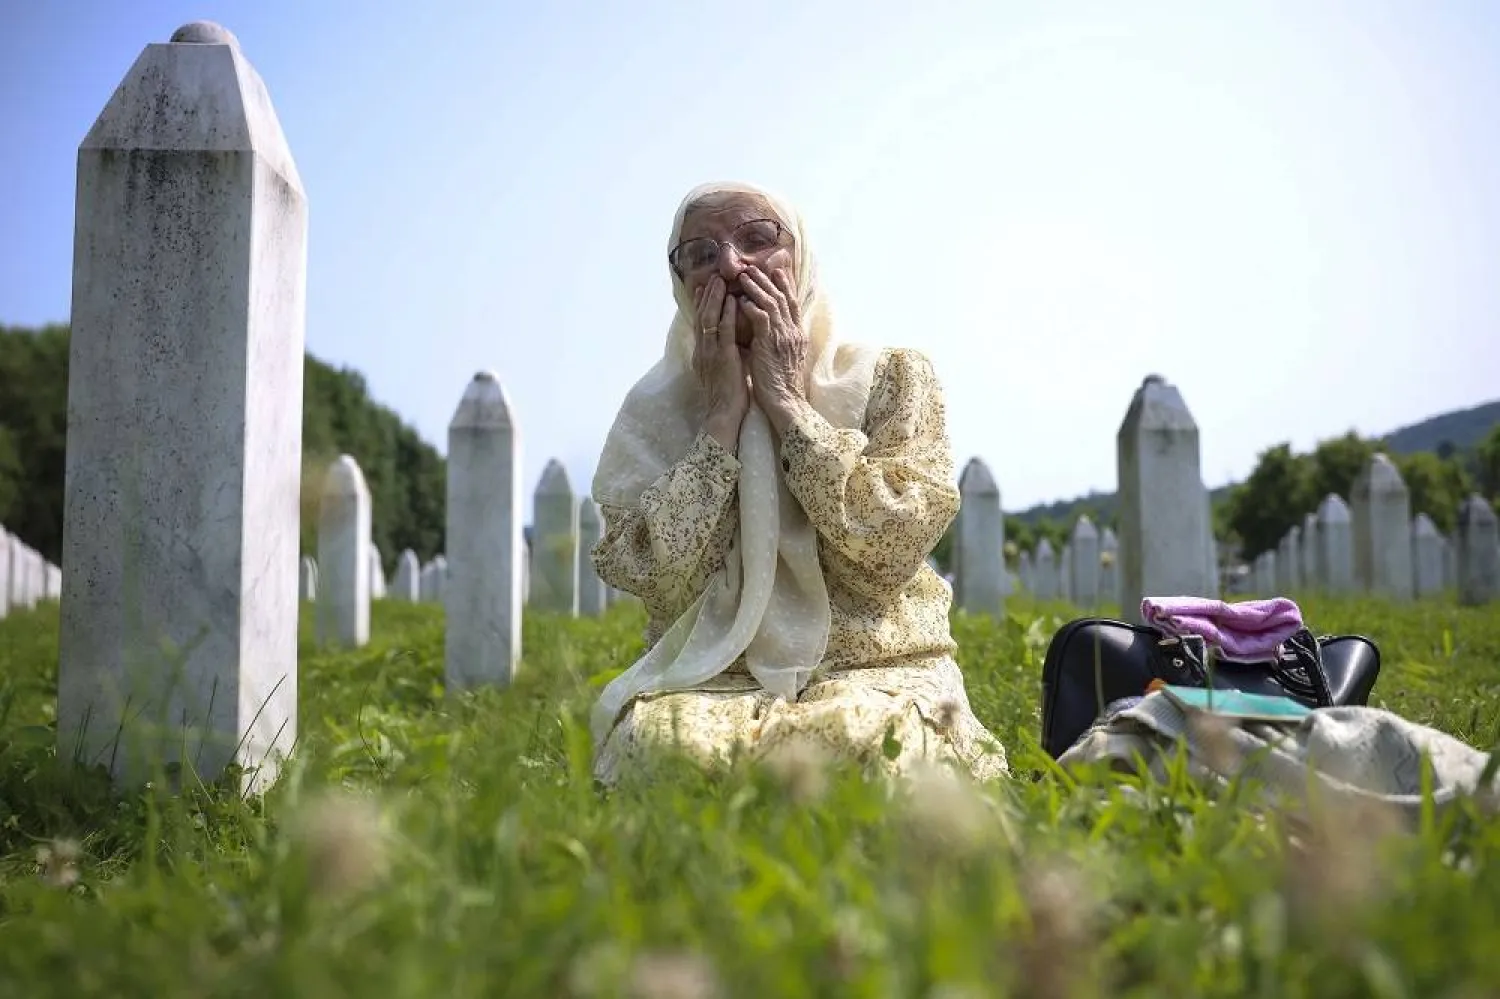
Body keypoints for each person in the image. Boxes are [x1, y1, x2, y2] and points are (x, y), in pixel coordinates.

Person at [588, 180, 1006, 788]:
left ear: (800, 256)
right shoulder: (654, 412)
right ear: (680, 283)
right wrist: (720, 420)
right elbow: (653, 576)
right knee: (661, 750)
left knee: (872, 743)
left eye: (757, 239)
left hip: (875, 666)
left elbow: (891, 545)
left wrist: (787, 404)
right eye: (702, 254)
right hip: (712, 676)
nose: (732, 266)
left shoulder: (891, 377)